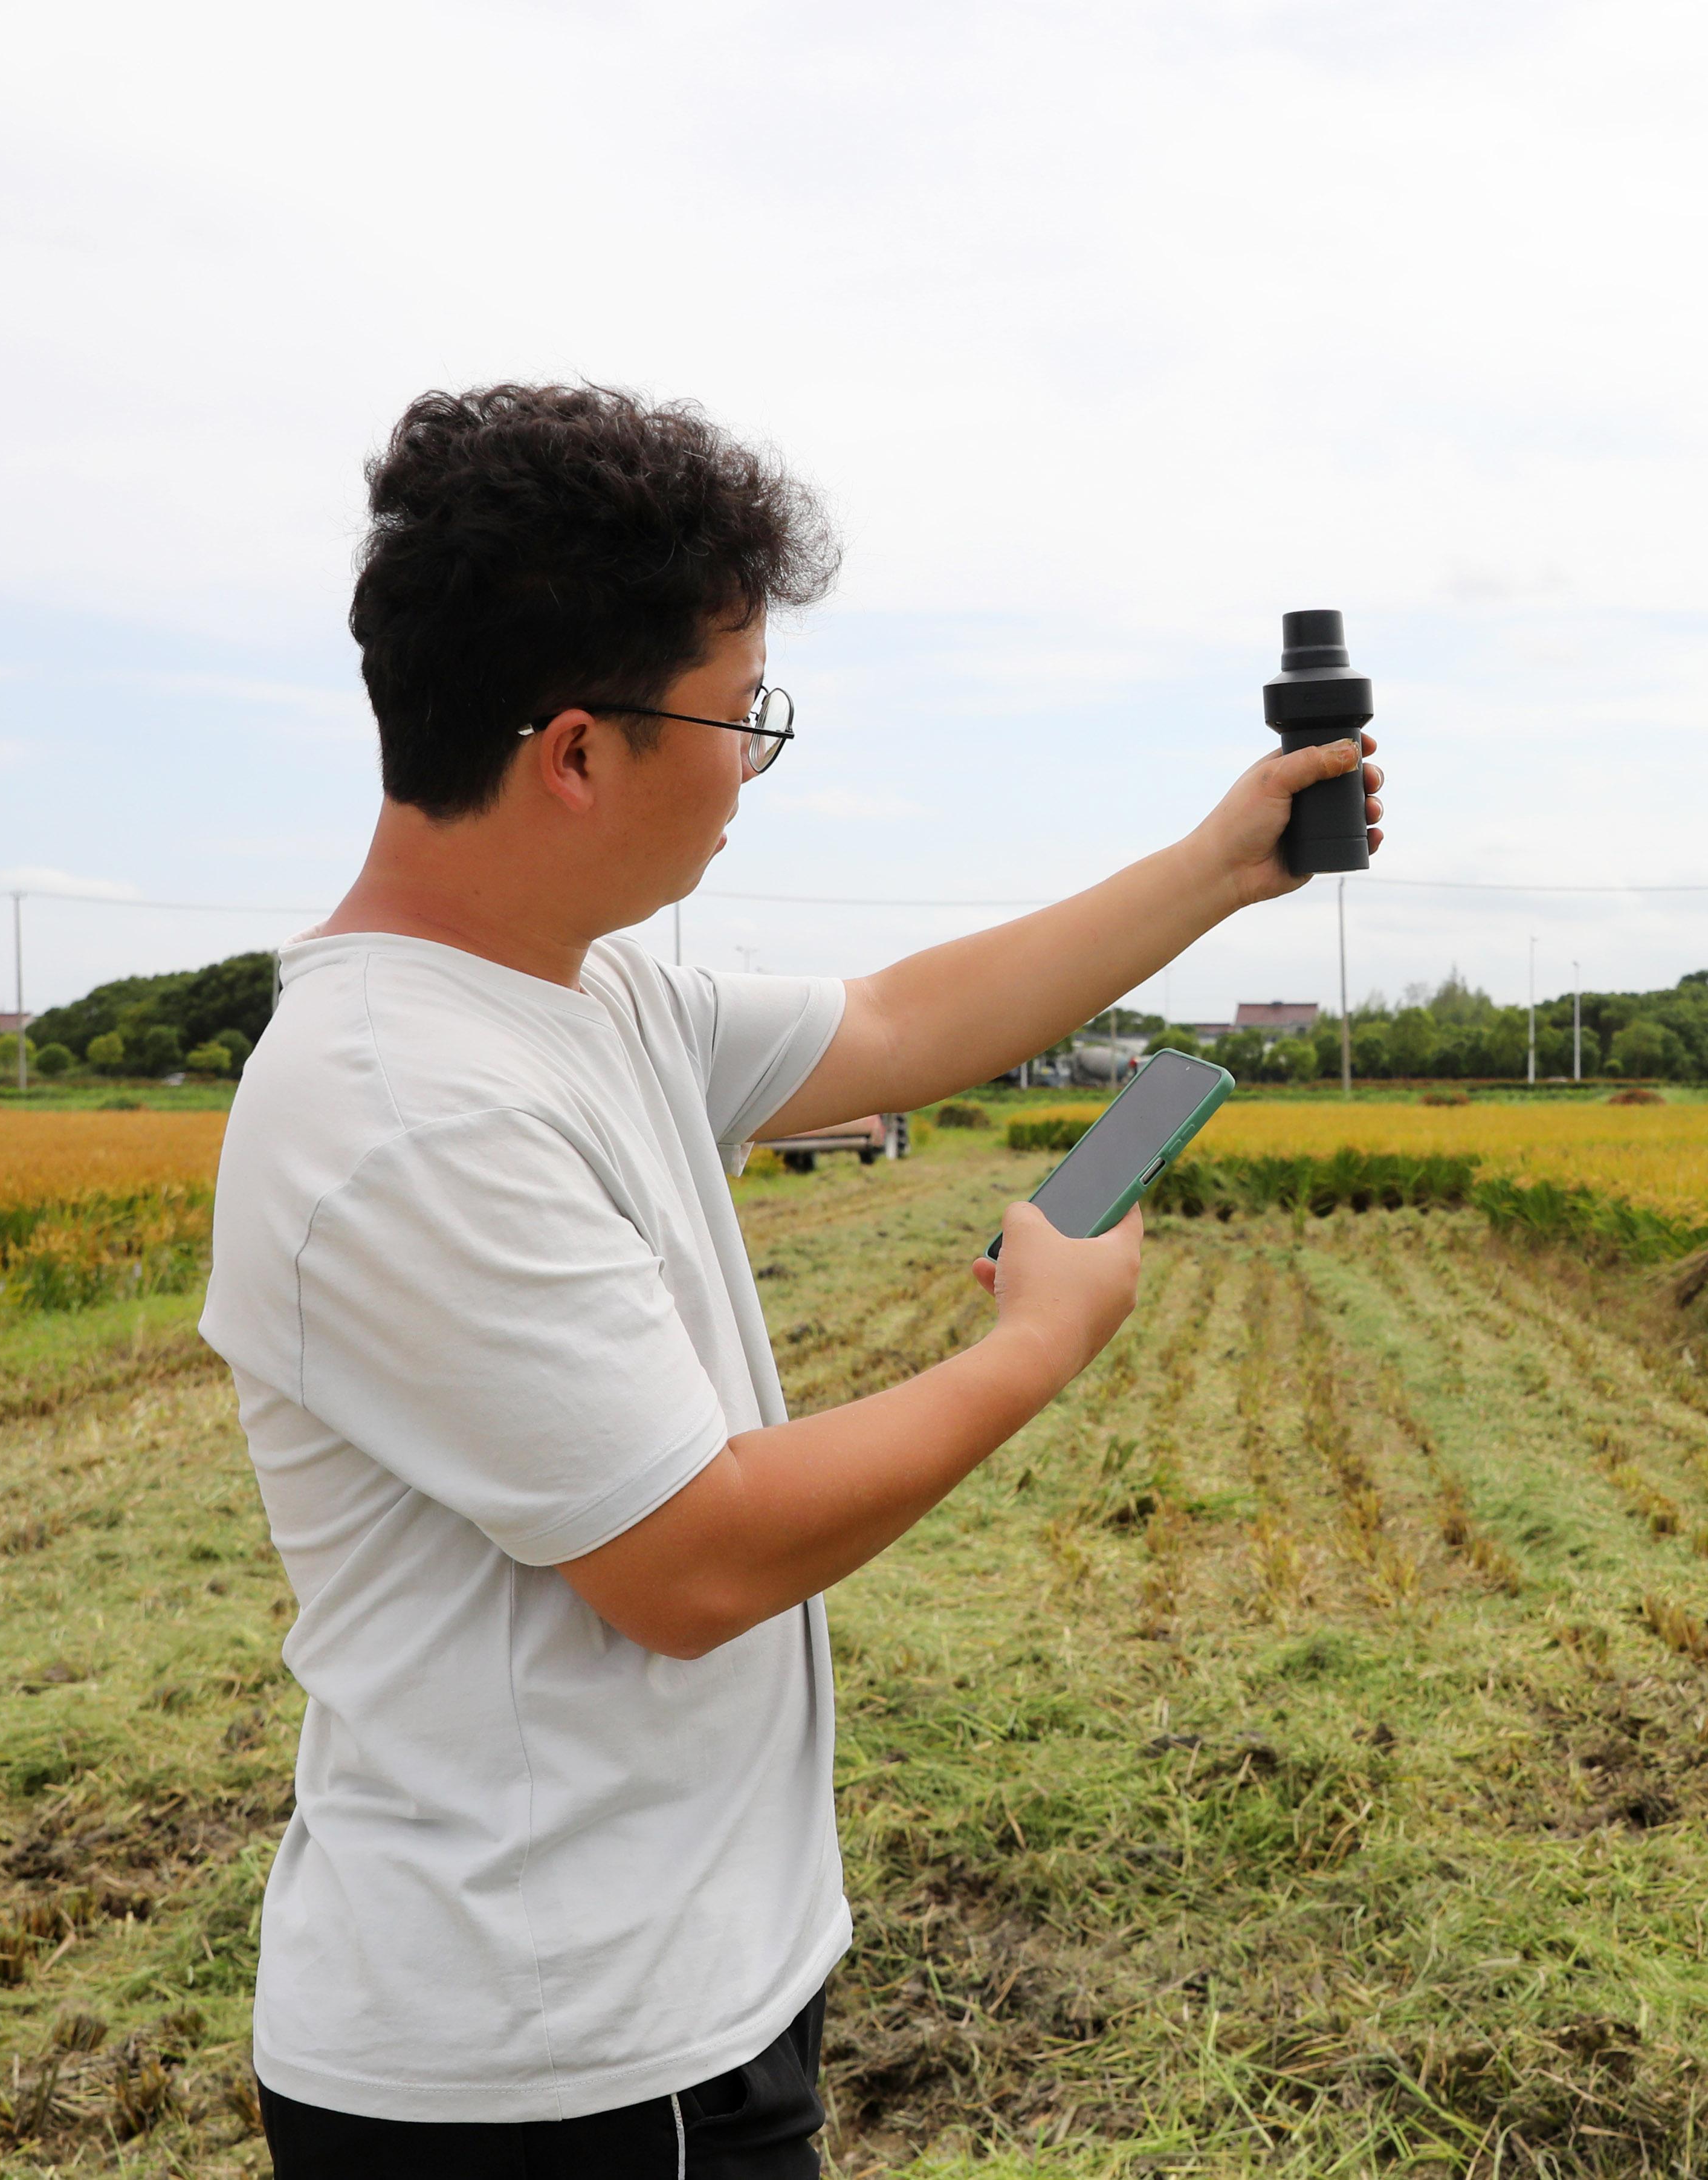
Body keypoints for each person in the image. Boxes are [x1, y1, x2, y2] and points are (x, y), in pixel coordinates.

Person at [198, 384, 1382, 2174]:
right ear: (577, 752)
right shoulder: (404, 1110)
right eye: (737, 715)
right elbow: (697, 1557)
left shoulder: (583, 989)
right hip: (555, 2063)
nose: (751, 760)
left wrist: (1219, 866)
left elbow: (903, 1023)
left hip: (654, 1994)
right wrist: (1040, 1343)